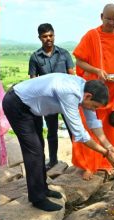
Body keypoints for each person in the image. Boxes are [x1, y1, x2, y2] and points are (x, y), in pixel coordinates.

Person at [2, 73, 114, 212]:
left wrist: (109, 146)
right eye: (94, 106)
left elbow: (92, 122)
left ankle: (42, 188)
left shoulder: (85, 90)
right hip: (17, 104)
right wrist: (105, 153)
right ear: (88, 96)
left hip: (30, 106)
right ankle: (37, 198)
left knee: (39, 147)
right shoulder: (70, 93)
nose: (93, 109)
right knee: (33, 151)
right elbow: (80, 135)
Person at [72, 3, 114, 180]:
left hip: (112, 94)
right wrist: (97, 71)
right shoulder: (92, 36)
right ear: (101, 17)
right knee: (89, 128)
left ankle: (109, 163)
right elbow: (80, 62)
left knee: (111, 129)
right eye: (108, 19)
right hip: (92, 94)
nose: (111, 23)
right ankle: (88, 165)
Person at [28, 23, 74, 170]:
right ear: (39, 38)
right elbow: (33, 82)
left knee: (73, 130)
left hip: (66, 99)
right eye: (45, 36)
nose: (48, 39)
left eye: (50, 35)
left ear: (54, 35)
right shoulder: (35, 57)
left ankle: (80, 160)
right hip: (48, 100)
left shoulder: (64, 54)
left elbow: (72, 76)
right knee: (52, 133)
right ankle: (53, 161)